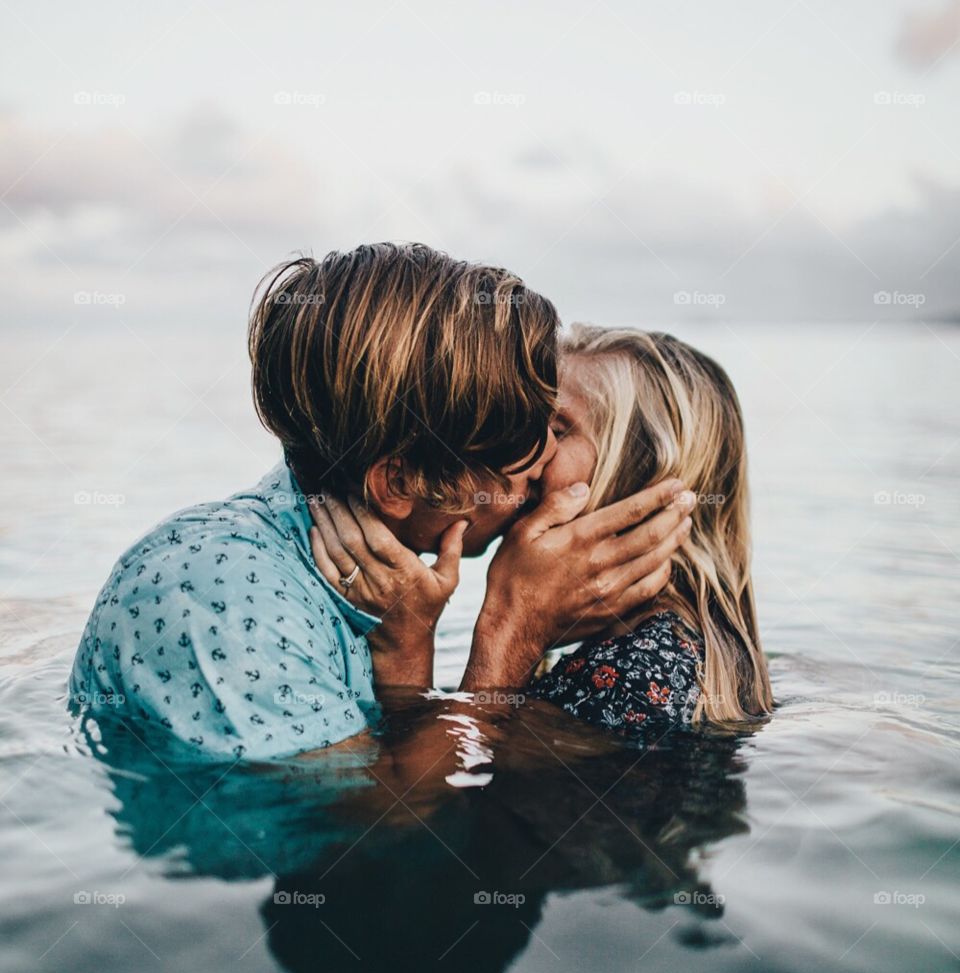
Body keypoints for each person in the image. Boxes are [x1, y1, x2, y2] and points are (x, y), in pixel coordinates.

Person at [69, 246, 691, 760]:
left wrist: (408, 652)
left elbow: (390, 778)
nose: (540, 477)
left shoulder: (368, 584)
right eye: (524, 448)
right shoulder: (224, 595)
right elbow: (392, 844)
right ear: (397, 484)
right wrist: (511, 630)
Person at [313, 325, 771, 739]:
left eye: (555, 427)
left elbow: (432, 819)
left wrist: (496, 634)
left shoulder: (625, 677)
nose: (522, 452)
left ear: (642, 483)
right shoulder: (688, 648)